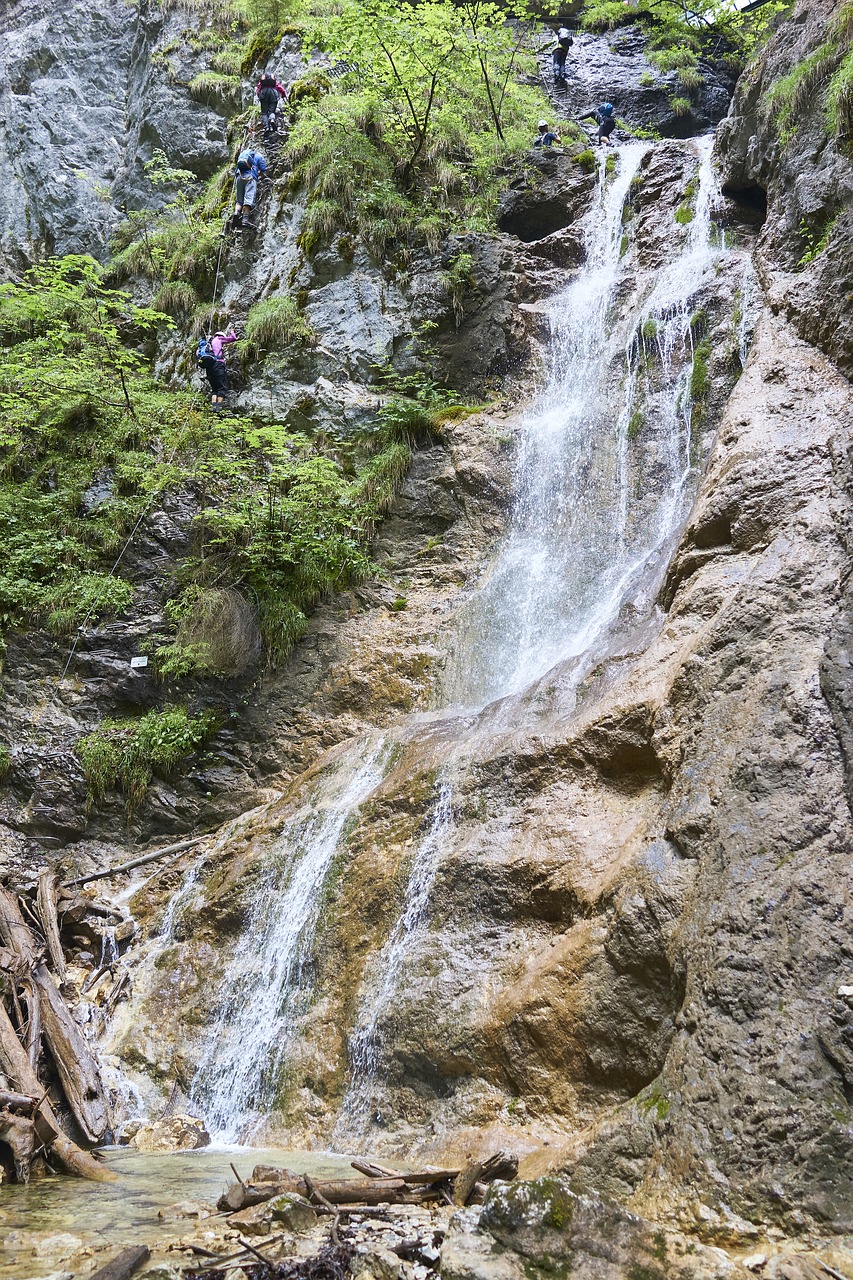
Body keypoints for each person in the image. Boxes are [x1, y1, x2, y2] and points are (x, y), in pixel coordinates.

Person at [199, 330, 237, 410]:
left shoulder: (210, 342)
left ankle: (213, 407)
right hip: (218, 364)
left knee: (214, 388)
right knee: (221, 387)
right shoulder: (219, 338)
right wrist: (232, 331)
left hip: (209, 366)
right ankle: (218, 408)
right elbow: (233, 338)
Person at [232, 148, 267, 230]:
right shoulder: (259, 156)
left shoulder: (243, 155)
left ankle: (236, 213)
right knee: (248, 199)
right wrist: (259, 177)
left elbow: (236, 171)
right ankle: (245, 219)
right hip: (250, 178)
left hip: (239, 177)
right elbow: (263, 169)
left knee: (239, 201)